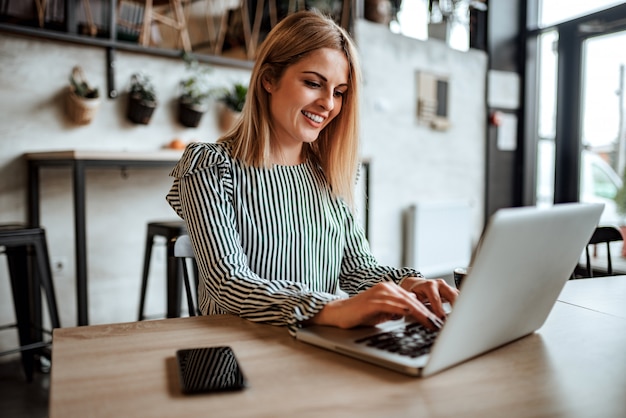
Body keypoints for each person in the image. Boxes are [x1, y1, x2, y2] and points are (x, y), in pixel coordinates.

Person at [166, 10, 458, 336]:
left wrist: (407, 283)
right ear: (268, 79)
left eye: (339, 92)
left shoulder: (327, 173)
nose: (328, 104)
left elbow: (356, 268)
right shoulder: (211, 167)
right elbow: (228, 284)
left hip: (315, 345)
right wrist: (329, 308)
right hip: (239, 353)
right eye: (313, 83)